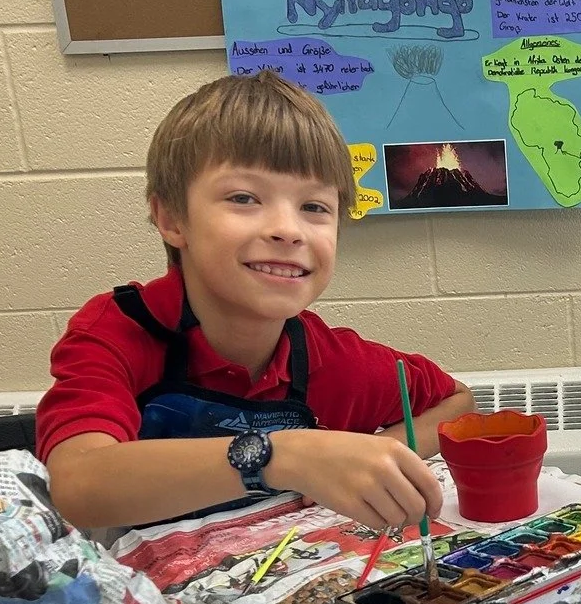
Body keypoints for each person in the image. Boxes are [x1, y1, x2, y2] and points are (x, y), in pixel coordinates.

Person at [38, 70, 475, 533]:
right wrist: (281, 454)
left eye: (314, 207)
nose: (288, 229)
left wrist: (378, 454)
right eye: (244, 197)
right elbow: (78, 486)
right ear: (171, 218)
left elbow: (455, 403)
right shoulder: (117, 332)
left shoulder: (332, 360)